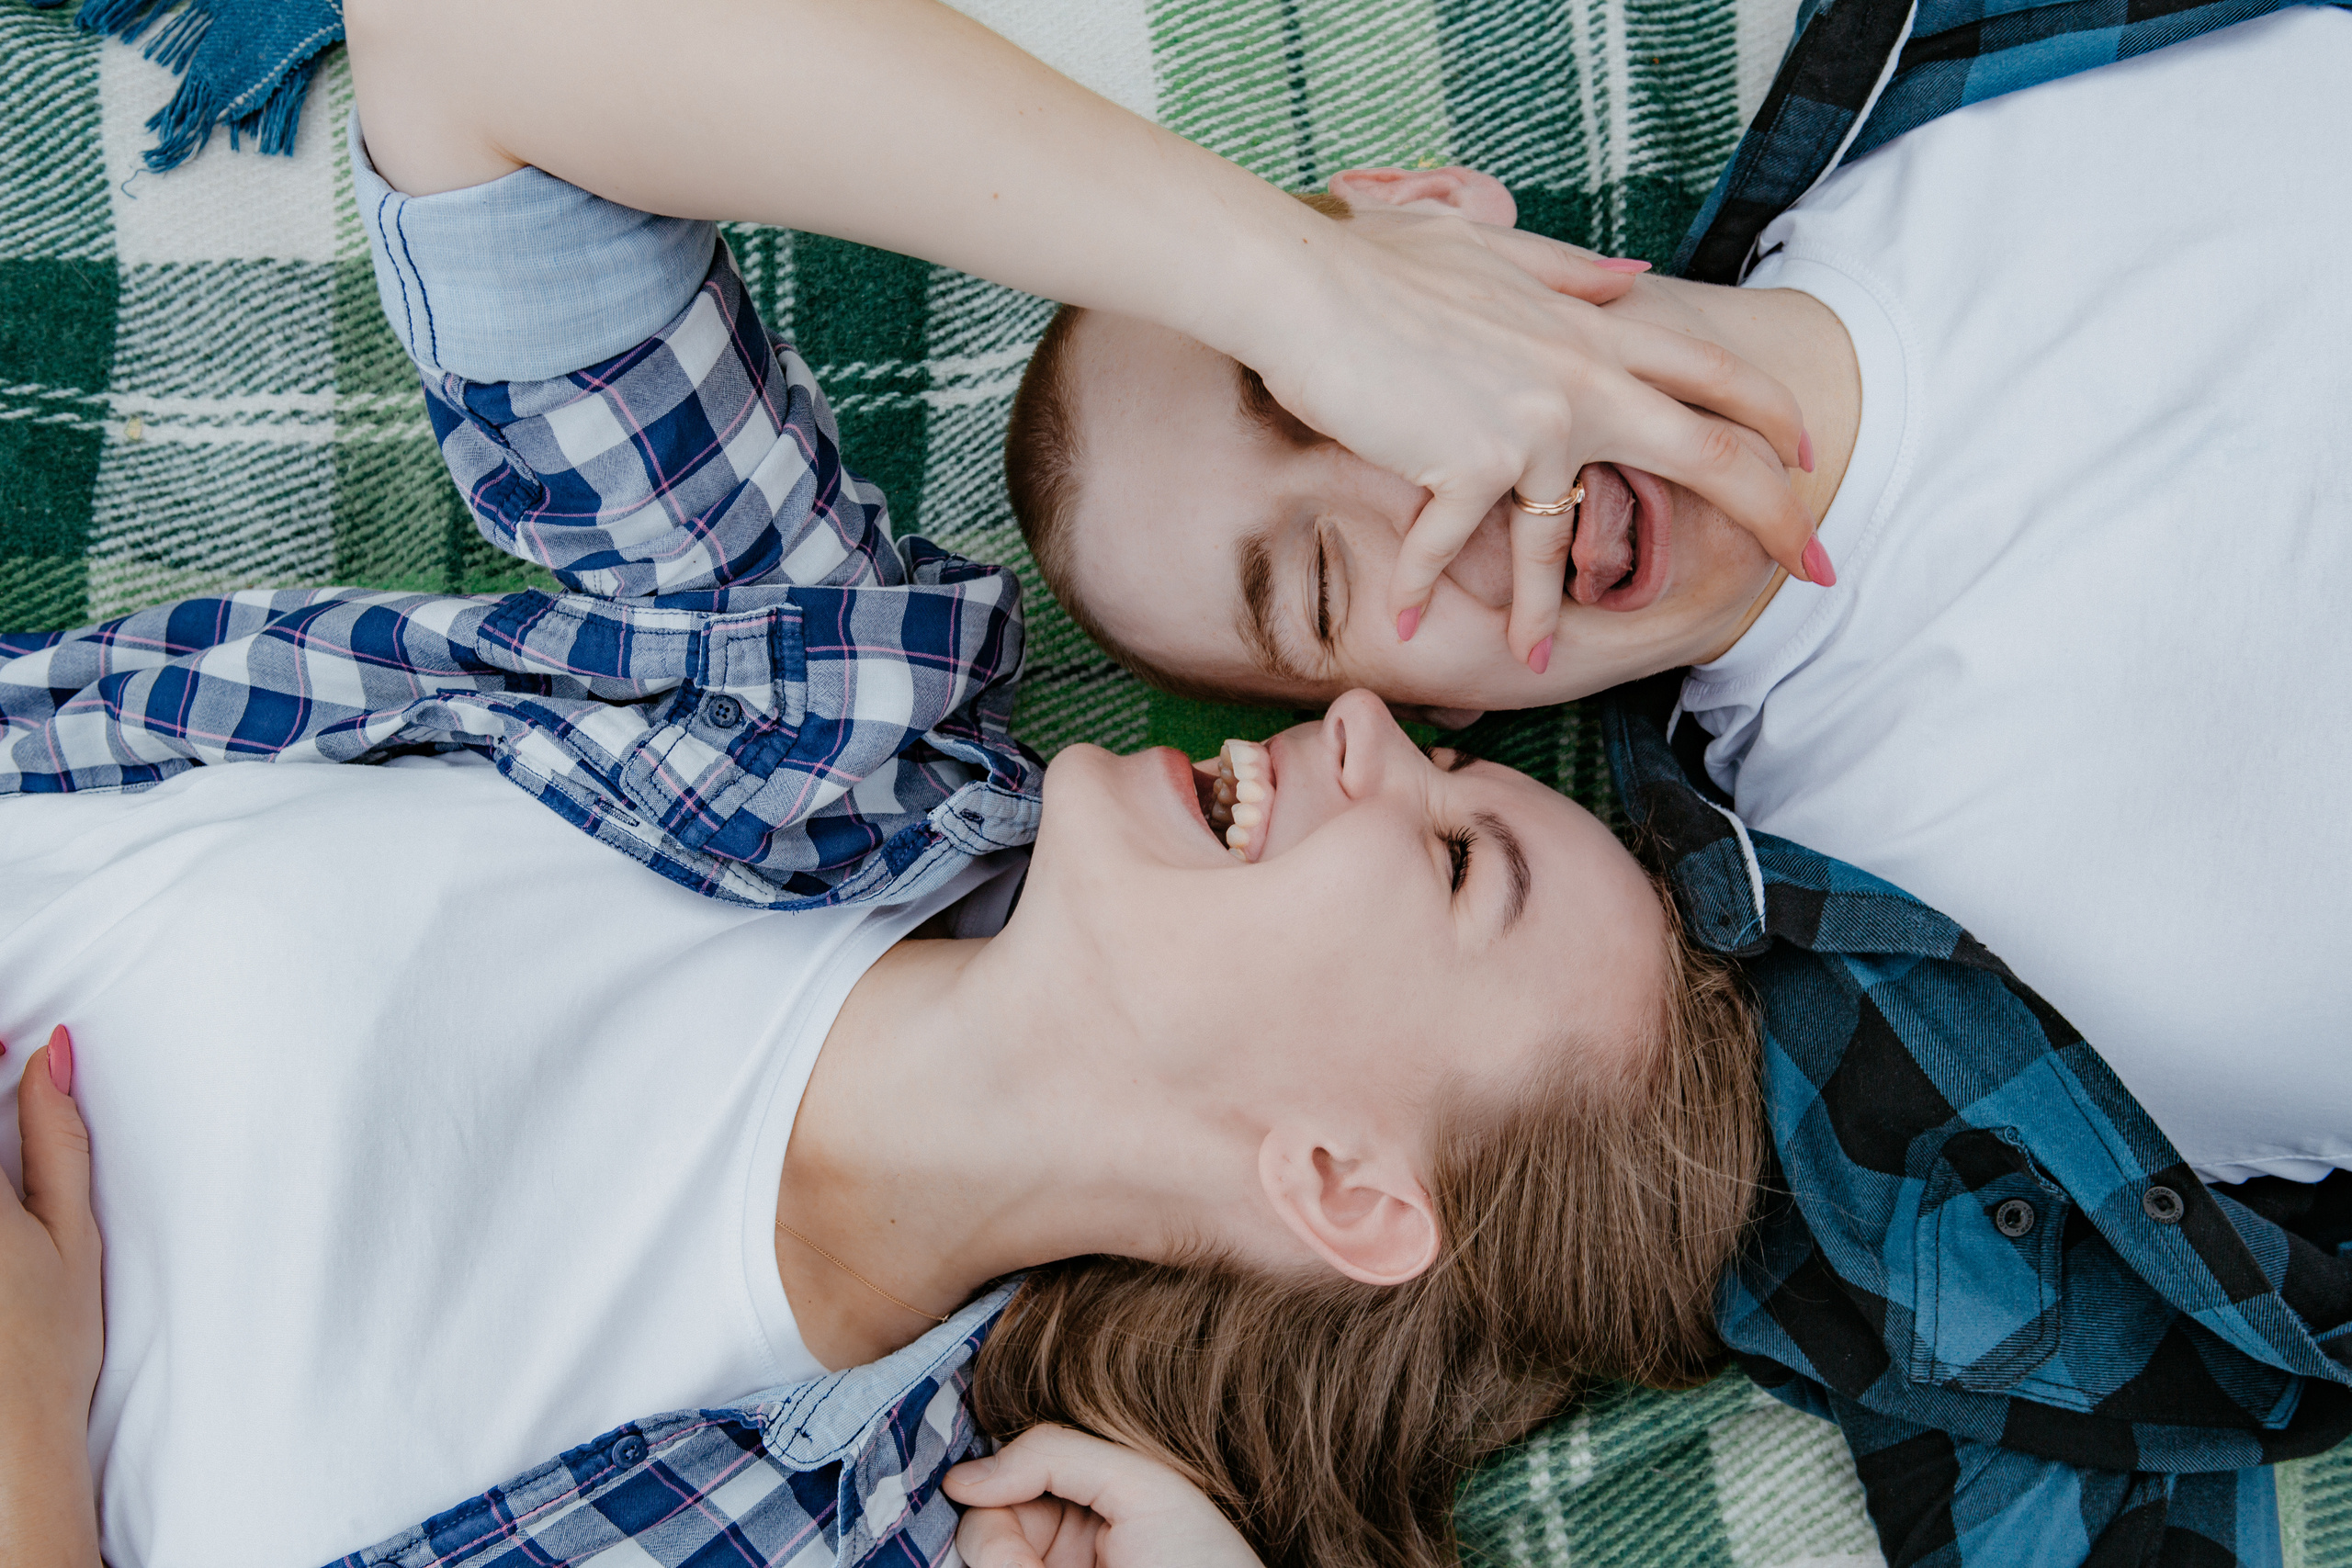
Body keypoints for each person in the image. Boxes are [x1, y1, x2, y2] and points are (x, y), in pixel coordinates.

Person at [1001, 3, 2352, 1562]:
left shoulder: (1961, 72)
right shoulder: (1903, 1053)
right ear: (1421, 712)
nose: (1434, 486)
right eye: (1322, 586)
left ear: (1427, 210)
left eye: (1326, 377)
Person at [0, 683, 1760, 1568]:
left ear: (1343, 1189)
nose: (1366, 717)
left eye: (1453, 860)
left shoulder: (847, 1534)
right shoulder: (840, 702)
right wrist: (1304, 291)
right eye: (1449, 759)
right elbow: (466, 105)